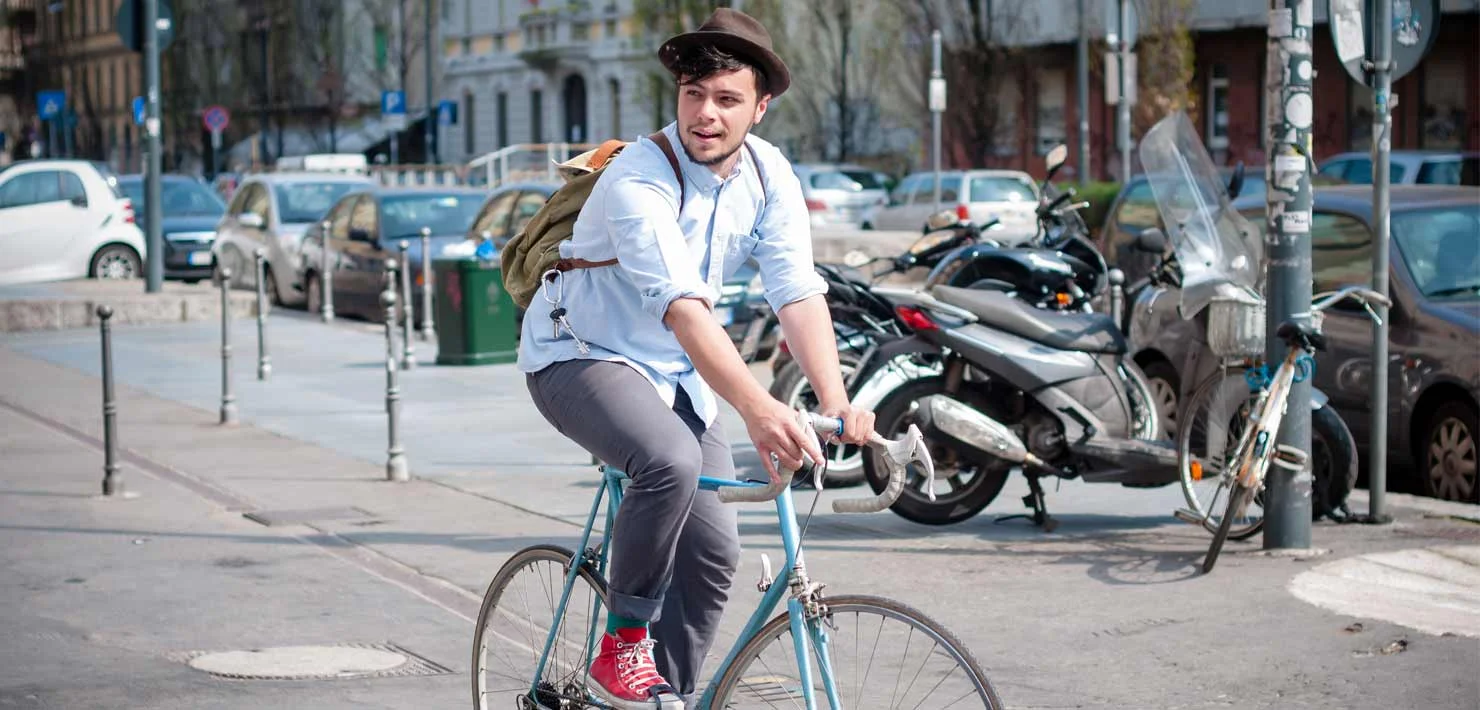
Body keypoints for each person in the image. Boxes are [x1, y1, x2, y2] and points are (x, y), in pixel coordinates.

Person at [517, 7, 875, 709]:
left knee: (714, 557)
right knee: (670, 463)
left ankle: (661, 699)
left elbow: (796, 292)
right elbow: (683, 307)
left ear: (760, 107)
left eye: (727, 98)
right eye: (693, 95)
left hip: (677, 375)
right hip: (579, 356)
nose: (705, 114)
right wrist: (760, 409)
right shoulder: (639, 179)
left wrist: (835, 401)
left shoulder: (769, 176)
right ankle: (622, 645)